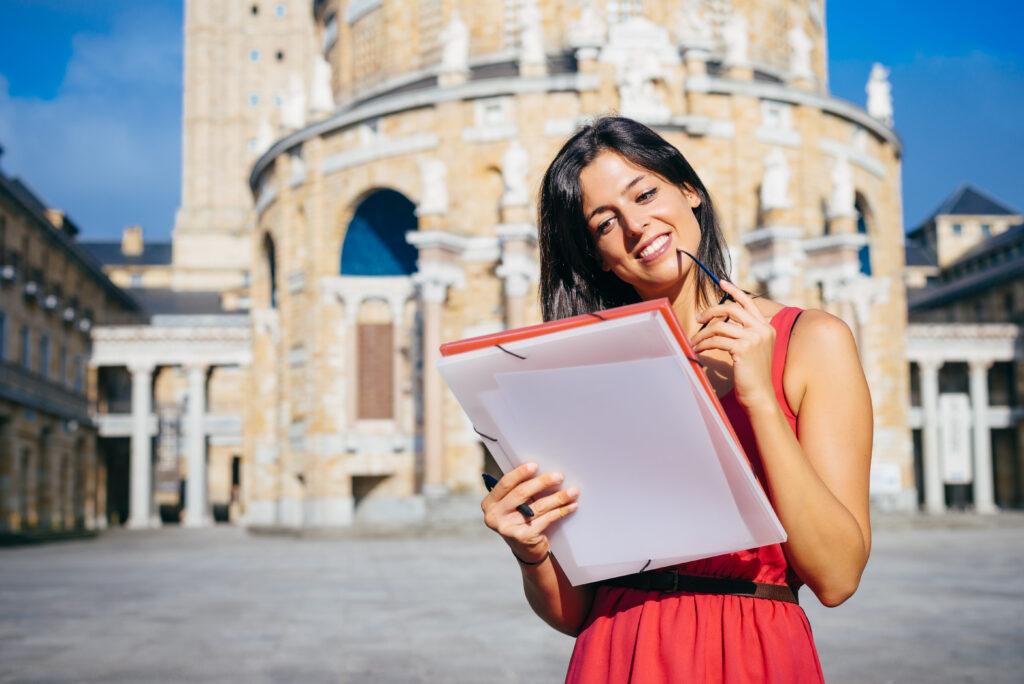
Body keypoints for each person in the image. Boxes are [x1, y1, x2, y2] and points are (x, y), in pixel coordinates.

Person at [480, 117, 872, 683]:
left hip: (752, 650)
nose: (637, 224)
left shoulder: (813, 341)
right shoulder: (587, 374)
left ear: (690, 190)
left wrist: (758, 397)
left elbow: (837, 577)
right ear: (598, 257)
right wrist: (530, 548)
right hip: (616, 650)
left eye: (645, 193)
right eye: (604, 224)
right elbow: (574, 614)